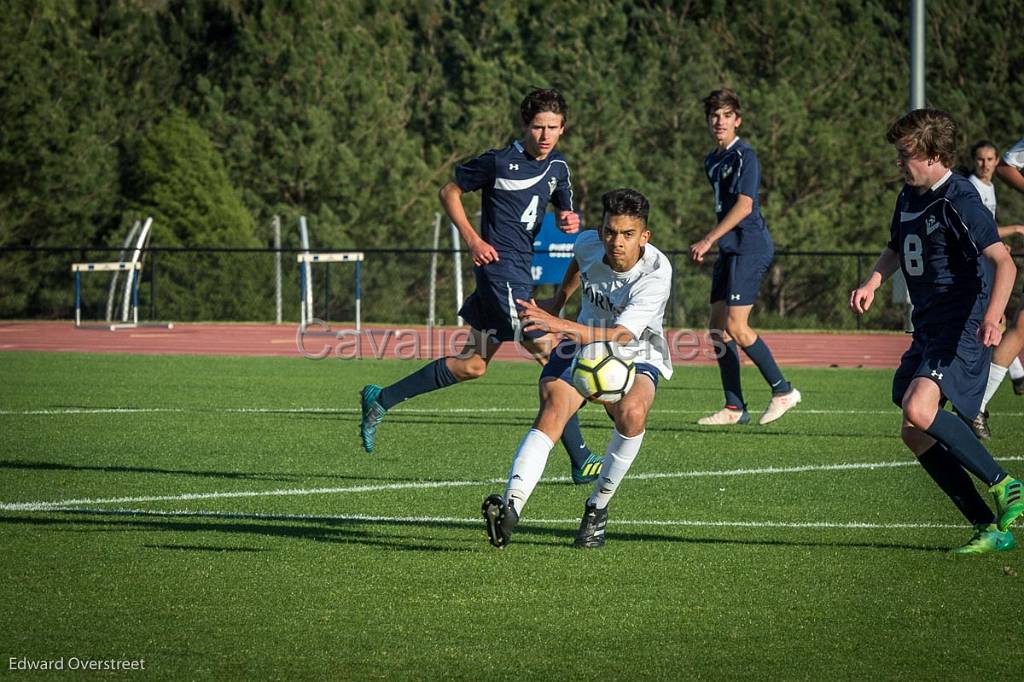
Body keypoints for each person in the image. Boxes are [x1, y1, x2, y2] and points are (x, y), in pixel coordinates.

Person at [358, 89, 602, 483]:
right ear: (526, 125)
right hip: (499, 269)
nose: (545, 134)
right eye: (538, 126)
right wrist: (472, 238)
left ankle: (381, 399)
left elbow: (563, 205)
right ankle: (581, 457)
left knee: (472, 364)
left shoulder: (559, 166)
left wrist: (568, 218)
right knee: (546, 349)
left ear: (563, 128)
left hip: (520, 269)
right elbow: (448, 191)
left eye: (553, 127)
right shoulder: (498, 161)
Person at [850, 109, 1023, 554]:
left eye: (906, 155)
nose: (899, 163)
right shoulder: (909, 195)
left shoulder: (959, 198)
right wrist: (872, 281)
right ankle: (990, 527)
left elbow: (1004, 262)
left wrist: (992, 314)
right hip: (927, 323)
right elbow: (894, 247)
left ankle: (1005, 484)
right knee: (913, 428)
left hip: (961, 321)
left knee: (920, 408)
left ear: (936, 155)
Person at [481, 188, 672, 549]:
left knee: (631, 414)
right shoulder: (589, 243)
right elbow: (578, 263)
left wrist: (557, 324)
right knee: (553, 406)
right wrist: (558, 301)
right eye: (610, 232)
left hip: (636, 350)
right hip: (582, 342)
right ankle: (511, 507)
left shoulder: (656, 274)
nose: (616, 242)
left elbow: (619, 334)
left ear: (644, 237)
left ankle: (597, 509)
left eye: (628, 235)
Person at [689, 88, 800, 426]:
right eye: (714, 116)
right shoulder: (712, 159)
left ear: (737, 120)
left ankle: (783, 390)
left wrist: (708, 238)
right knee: (717, 330)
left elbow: (745, 204)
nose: (719, 121)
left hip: (750, 245)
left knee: (736, 326)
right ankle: (734, 407)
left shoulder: (744, 156)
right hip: (730, 248)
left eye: (726, 116)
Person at [967, 140, 1024, 438]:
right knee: (1007, 323)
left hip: (990, 257)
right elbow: (1008, 164)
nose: (986, 164)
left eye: (989, 158)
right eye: (982, 159)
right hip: (978, 262)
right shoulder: (970, 186)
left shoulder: (986, 188)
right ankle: (976, 402)